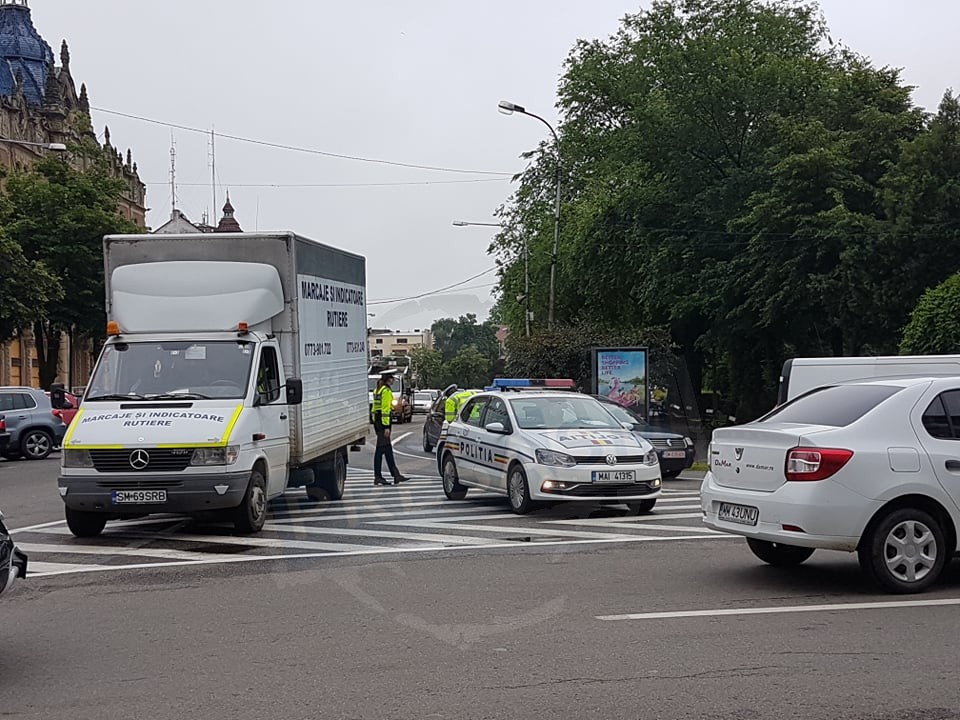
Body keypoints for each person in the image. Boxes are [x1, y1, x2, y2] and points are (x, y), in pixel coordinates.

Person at [371, 372, 409, 486]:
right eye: (392, 378)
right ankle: (378, 476)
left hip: (377, 421)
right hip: (383, 423)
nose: (393, 380)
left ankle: (396, 474)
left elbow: (375, 408)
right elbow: (385, 409)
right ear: (388, 379)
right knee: (380, 450)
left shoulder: (377, 390)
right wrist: (386, 427)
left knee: (387, 450)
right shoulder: (386, 391)